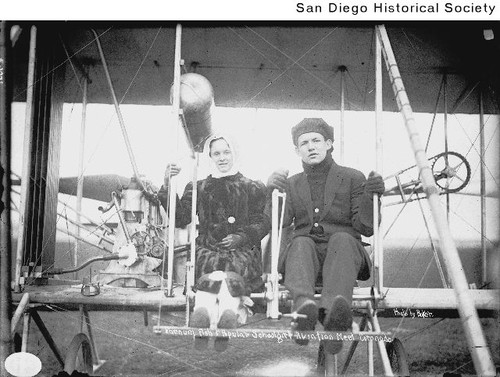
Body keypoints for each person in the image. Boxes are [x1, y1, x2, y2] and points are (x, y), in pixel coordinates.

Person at [266, 118, 385, 354]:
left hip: (343, 256)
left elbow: (366, 227)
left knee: (341, 238)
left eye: (317, 141)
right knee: (300, 241)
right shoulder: (292, 183)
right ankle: (304, 312)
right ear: (297, 150)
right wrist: (270, 192)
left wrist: (372, 197)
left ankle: (335, 317)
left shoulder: (353, 178)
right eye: (304, 143)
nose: (311, 147)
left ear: (329, 143)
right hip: (306, 260)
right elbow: (276, 222)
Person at [158, 134, 270, 351]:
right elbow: (181, 218)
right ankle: (219, 316)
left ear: (235, 153)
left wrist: (243, 237)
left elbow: (262, 222)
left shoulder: (253, 187)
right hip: (207, 248)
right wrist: (167, 185)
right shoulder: (199, 186)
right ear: (210, 156)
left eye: (226, 152)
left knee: (228, 273)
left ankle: (216, 315)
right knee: (213, 272)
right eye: (216, 153)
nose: (222, 158)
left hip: (242, 249)